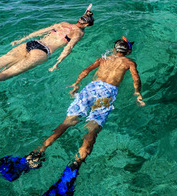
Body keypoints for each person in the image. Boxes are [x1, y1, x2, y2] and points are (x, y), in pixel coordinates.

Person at [26, 37, 144, 170]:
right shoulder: (129, 62)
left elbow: (85, 71)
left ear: (114, 49)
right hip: (107, 93)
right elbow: (136, 78)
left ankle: (38, 151)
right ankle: (76, 164)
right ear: (128, 51)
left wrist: (76, 84)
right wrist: (137, 93)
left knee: (66, 123)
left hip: (90, 88)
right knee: (92, 130)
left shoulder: (103, 59)